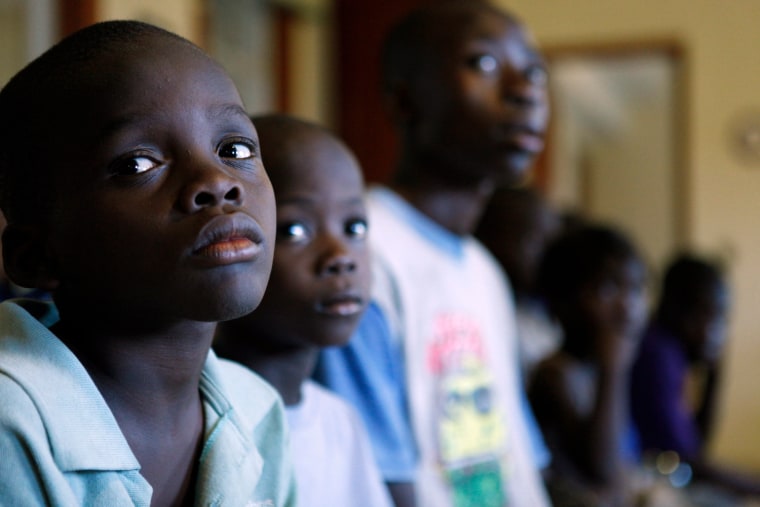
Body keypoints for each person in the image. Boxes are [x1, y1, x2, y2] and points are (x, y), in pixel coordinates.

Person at [0, 21, 295, 505]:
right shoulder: (13, 426)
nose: (217, 181)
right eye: (137, 164)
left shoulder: (257, 410)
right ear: (36, 256)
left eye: (234, 149)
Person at [315, 1, 552, 506]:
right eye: (484, 64)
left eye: (534, 71)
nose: (526, 90)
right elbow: (373, 473)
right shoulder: (358, 251)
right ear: (404, 102)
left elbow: (516, 458)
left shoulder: (485, 272)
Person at [215, 114, 393, 507]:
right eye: (296, 231)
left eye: (355, 228)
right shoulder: (206, 426)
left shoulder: (339, 424)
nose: (341, 257)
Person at [529, 224, 648, 507]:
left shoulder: (598, 370)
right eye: (608, 289)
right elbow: (603, 468)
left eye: (635, 289)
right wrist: (613, 371)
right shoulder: (554, 375)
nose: (627, 306)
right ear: (563, 300)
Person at [631, 254, 760, 501]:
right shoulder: (658, 355)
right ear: (682, 312)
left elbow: (695, 447)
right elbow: (690, 460)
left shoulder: (670, 354)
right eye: (714, 317)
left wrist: (714, 375)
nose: (720, 333)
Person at [475, 184, 562, 381]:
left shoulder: (543, 315)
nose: (550, 256)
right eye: (536, 241)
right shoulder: (479, 319)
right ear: (490, 237)